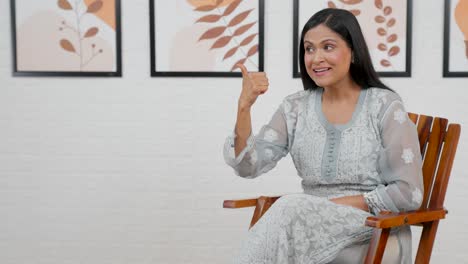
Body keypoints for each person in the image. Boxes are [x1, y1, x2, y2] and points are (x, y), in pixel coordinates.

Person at [223, 8, 424, 264]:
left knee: (288, 207)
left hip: (372, 225)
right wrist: (244, 107)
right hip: (308, 223)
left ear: (353, 52)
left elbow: (409, 193)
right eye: (309, 49)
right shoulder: (295, 108)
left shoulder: (384, 105)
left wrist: (334, 204)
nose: (316, 58)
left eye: (328, 47)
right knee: (289, 212)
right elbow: (247, 166)